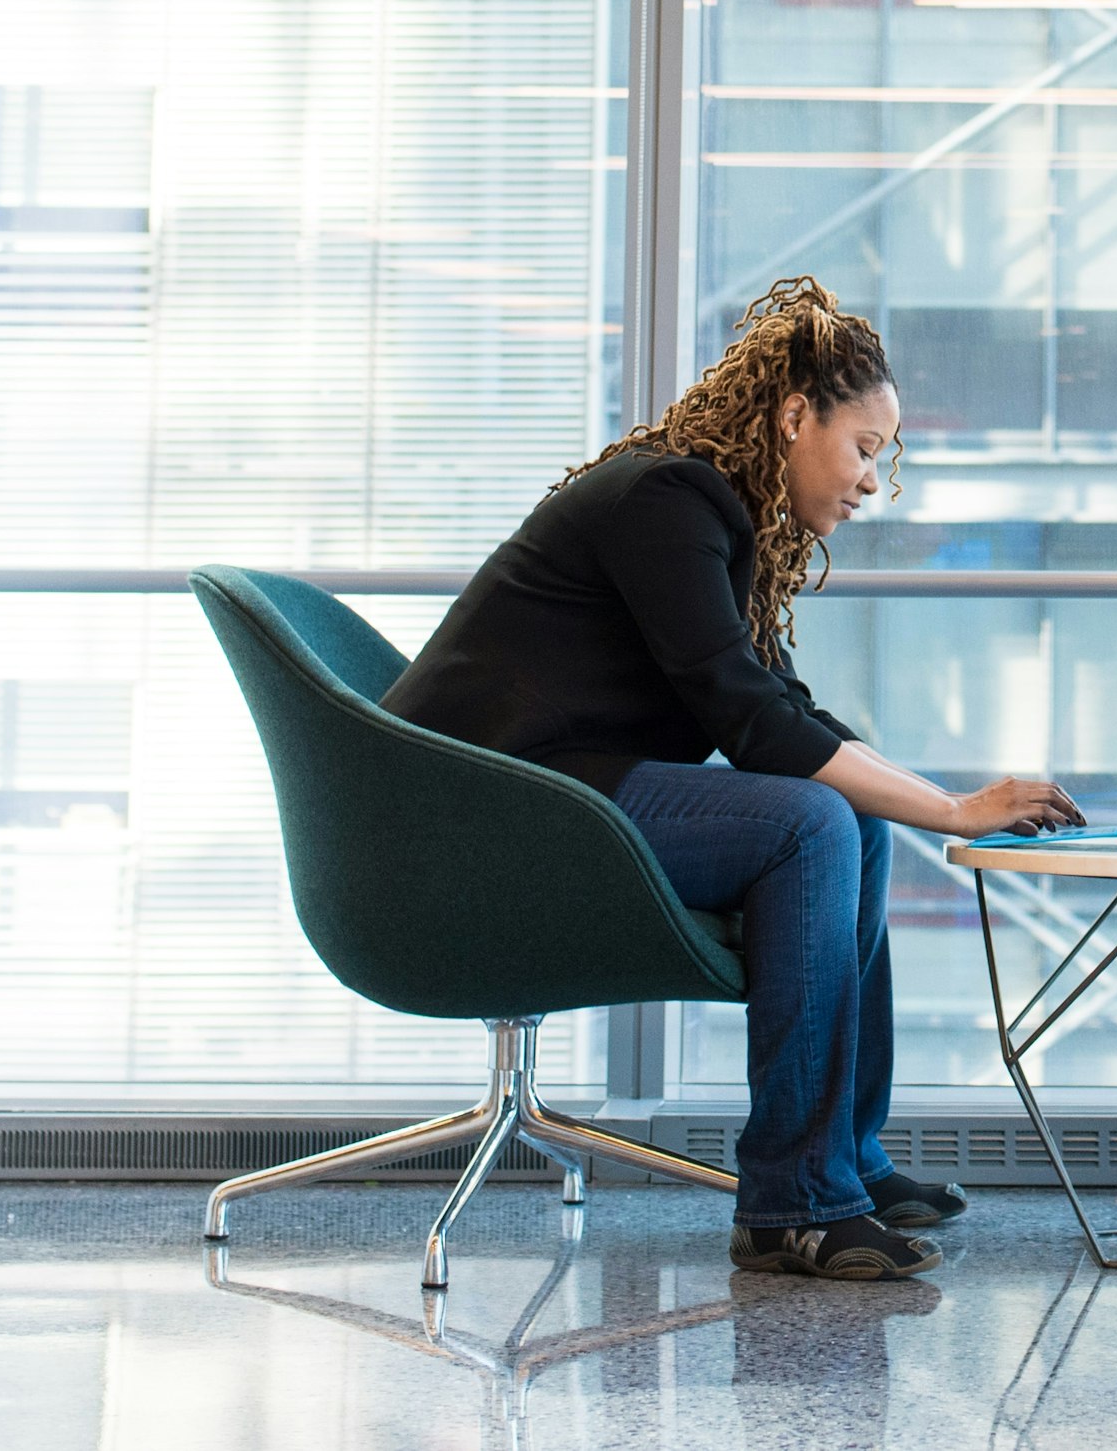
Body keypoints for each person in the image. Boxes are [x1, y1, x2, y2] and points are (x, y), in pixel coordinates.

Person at [384, 276, 1081, 1282]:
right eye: (866, 449)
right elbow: (753, 729)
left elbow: (784, 716)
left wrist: (941, 803)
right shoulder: (669, 498)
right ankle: (793, 1204)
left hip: (554, 789)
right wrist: (951, 813)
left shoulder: (713, 513)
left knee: (845, 815)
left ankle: (844, 1161)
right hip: (482, 808)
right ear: (796, 415)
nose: (872, 483)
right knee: (810, 823)